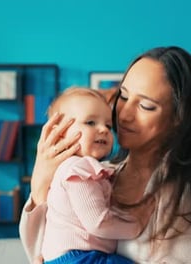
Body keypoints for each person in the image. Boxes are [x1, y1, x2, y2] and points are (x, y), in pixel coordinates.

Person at [19, 46, 191, 263]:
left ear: (178, 117)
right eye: (125, 97)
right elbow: (44, 254)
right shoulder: (102, 174)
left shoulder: (183, 192)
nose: (125, 114)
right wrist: (41, 186)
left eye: (147, 106)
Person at [39, 87, 153, 264]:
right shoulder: (77, 168)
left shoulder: (88, 169)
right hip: (78, 257)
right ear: (60, 132)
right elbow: (98, 223)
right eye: (90, 122)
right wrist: (137, 225)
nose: (103, 130)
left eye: (108, 125)